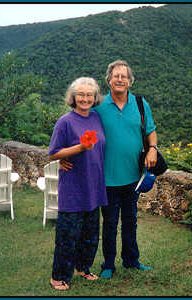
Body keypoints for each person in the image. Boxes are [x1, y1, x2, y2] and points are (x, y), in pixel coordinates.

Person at [61, 60, 158, 279]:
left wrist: (153, 148)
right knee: (110, 224)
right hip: (106, 178)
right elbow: (77, 129)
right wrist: (63, 156)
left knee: (130, 221)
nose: (120, 80)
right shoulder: (98, 108)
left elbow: (151, 131)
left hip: (133, 176)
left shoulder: (141, 104)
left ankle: (132, 260)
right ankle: (108, 265)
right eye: (116, 76)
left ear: (130, 80)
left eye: (124, 76)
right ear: (109, 80)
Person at [48, 77, 108, 290]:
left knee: (90, 234)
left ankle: (83, 268)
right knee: (67, 235)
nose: (85, 98)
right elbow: (53, 153)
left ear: (95, 97)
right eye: (80, 95)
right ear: (73, 97)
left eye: (89, 95)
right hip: (73, 186)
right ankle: (58, 276)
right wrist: (79, 148)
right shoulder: (65, 121)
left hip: (94, 185)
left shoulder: (96, 118)